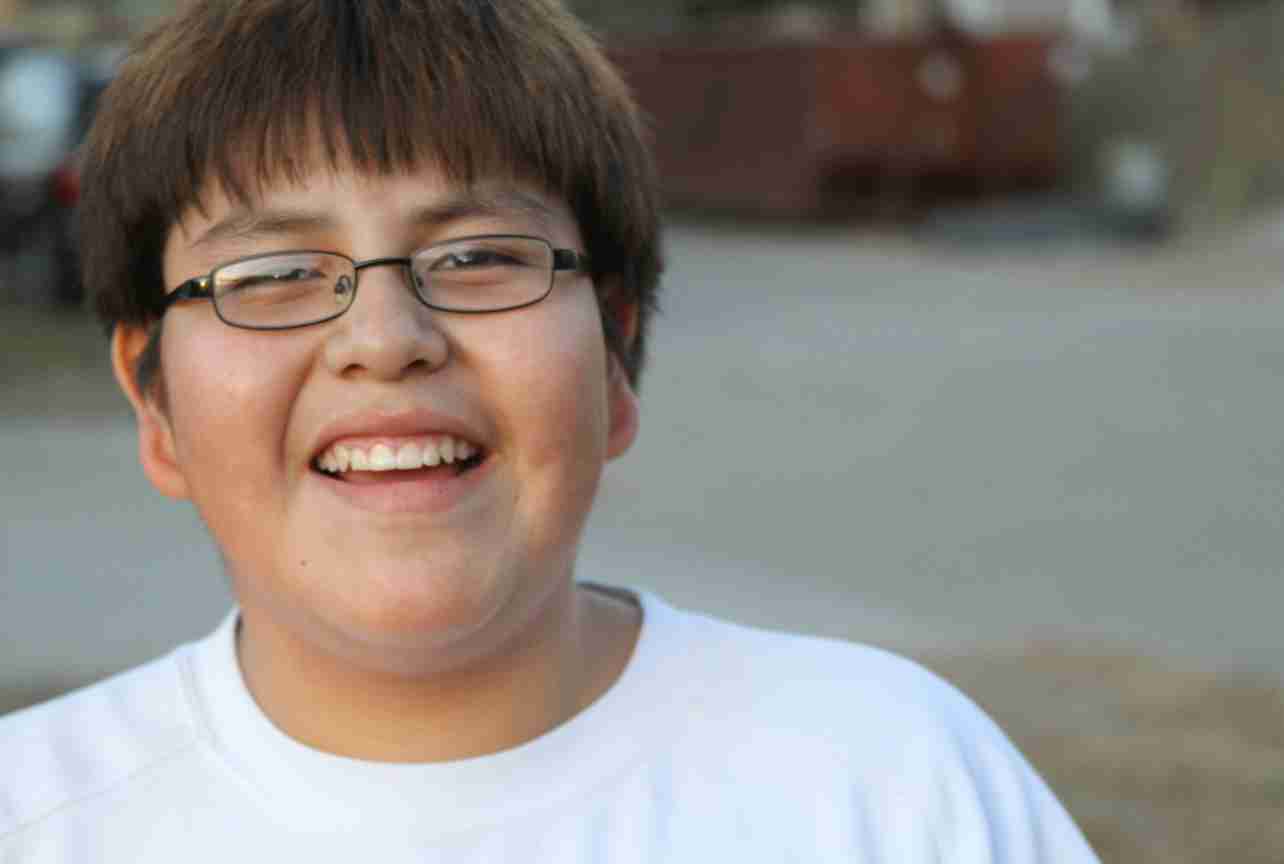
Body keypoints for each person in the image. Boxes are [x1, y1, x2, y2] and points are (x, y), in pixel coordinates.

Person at [0, 1, 1099, 861]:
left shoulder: (893, 786)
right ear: (155, 405)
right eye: (275, 273)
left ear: (615, 355)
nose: (386, 338)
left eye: (479, 258)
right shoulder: (36, 819)